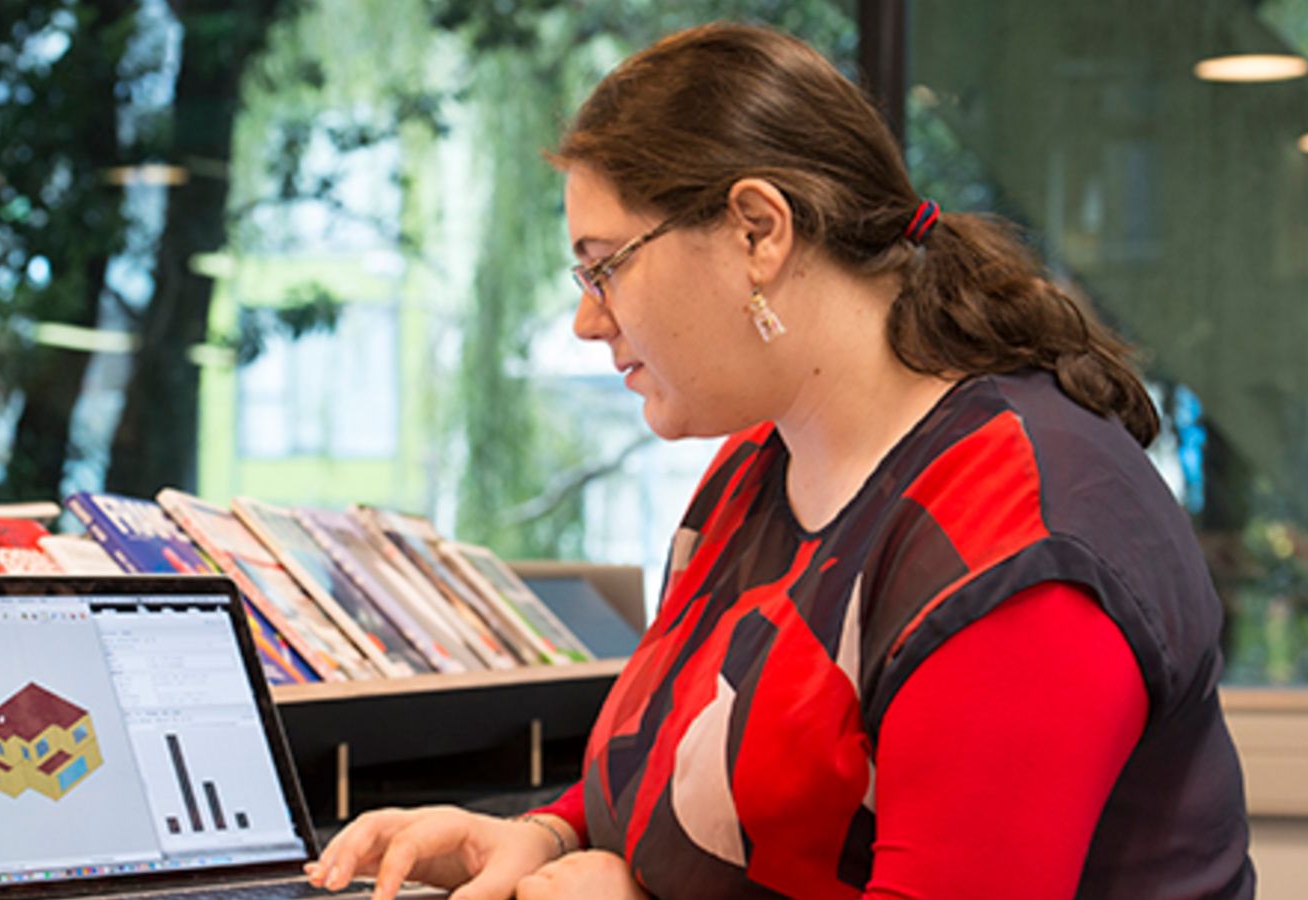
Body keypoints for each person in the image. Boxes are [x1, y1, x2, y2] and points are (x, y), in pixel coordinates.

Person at [307, 22, 1255, 900]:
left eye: (605, 266)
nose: (588, 320)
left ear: (758, 230)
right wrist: (542, 838)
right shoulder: (760, 466)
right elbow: (692, 766)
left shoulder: (1015, 548)